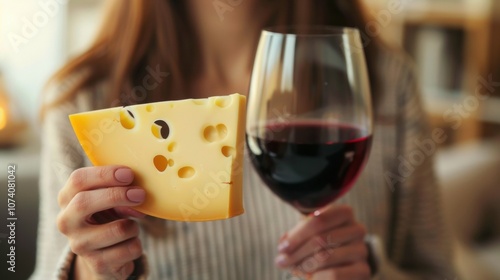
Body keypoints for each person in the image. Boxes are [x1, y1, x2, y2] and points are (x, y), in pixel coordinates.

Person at [31, 0, 457, 279]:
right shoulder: (82, 99)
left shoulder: (383, 79)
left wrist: (372, 270)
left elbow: (438, 271)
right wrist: (88, 271)